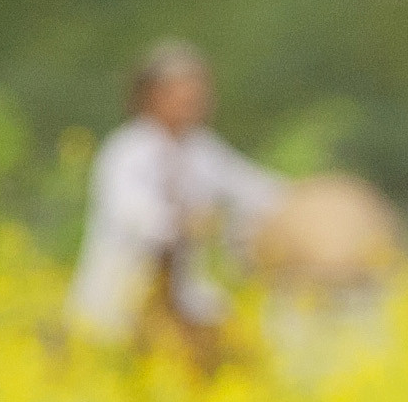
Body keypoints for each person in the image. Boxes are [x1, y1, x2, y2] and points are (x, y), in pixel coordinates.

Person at [65, 41, 291, 377]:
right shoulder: (127, 151)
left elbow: (257, 189)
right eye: (180, 91)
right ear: (149, 95)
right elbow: (131, 213)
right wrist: (181, 224)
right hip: (123, 297)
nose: (192, 100)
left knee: (242, 359)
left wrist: (314, 200)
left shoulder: (202, 150)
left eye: (198, 91)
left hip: (188, 293)